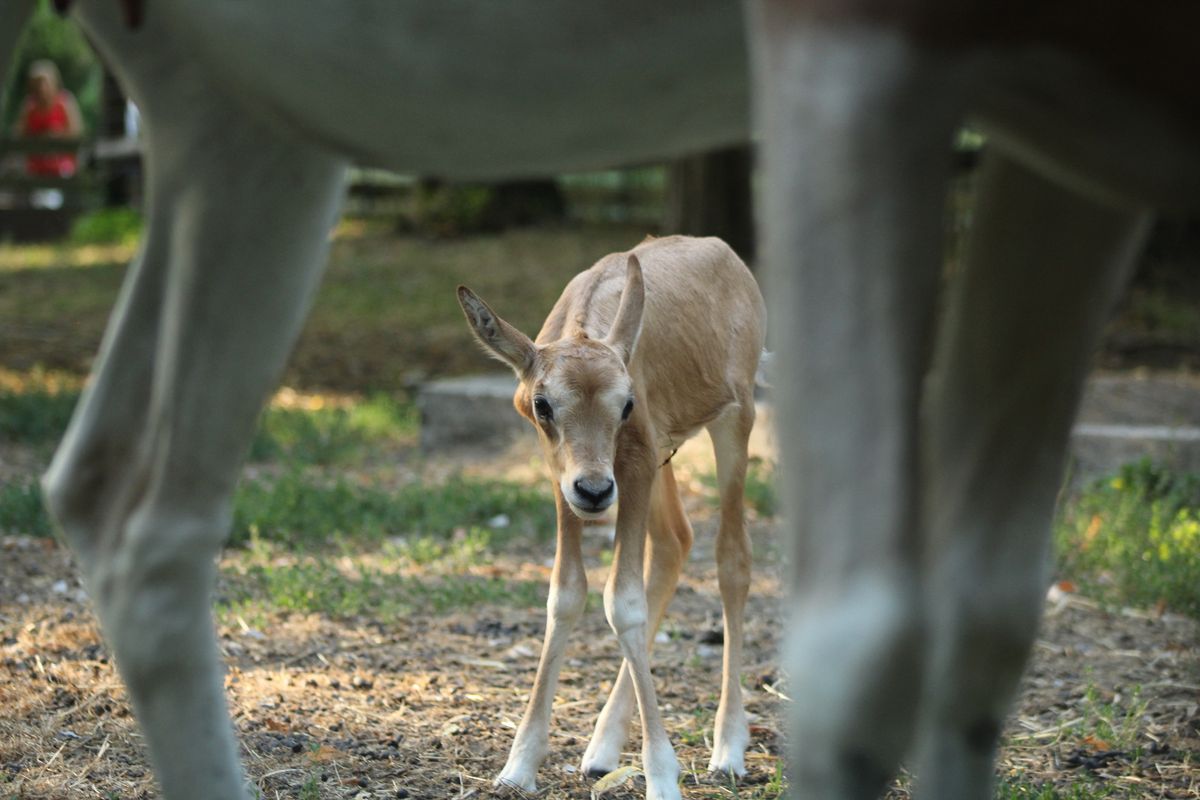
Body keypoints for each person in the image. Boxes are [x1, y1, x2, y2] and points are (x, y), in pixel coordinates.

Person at [14, 60, 83, 177]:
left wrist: (58, 135)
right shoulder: (29, 106)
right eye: (37, 84)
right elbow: (18, 135)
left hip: (62, 165)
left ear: (54, 82)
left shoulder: (65, 102)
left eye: (44, 83)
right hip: (35, 166)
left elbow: (77, 133)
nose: (41, 88)